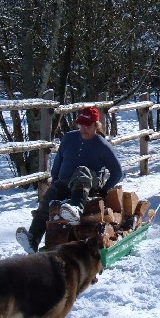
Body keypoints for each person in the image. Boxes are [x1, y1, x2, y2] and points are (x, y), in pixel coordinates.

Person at [16, 106, 123, 254]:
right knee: (48, 199)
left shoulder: (102, 146)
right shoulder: (69, 138)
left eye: (88, 125)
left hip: (88, 185)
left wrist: (104, 190)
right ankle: (33, 239)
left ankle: (76, 209)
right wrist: (54, 182)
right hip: (66, 182)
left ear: (96, 125)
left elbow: (118, 172)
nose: (83, 128)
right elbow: (58, 162)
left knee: (81, 171)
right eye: (81, 124)